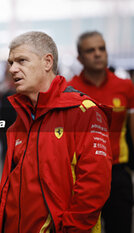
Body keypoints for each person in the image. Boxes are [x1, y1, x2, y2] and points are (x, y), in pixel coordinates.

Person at [0, 31, 112, 233]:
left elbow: (94, 188)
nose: (12, 69)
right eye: (11, 63)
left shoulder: (85, 112)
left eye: (21, 61)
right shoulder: (21, 121)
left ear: (47, 62)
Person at [68, 31, 134, 233]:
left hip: (118, 175)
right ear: (80, 57)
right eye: (90, 50)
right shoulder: (69, 90)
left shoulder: (125, 87)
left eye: (101, 48)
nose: (97, 54)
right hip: (81, 178)